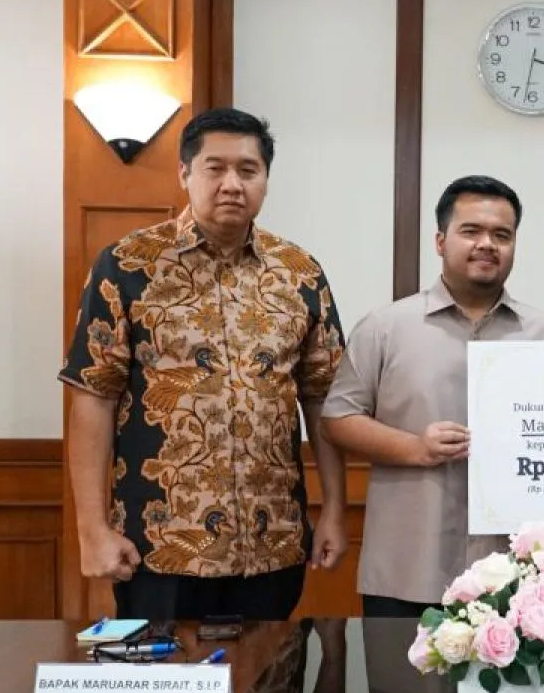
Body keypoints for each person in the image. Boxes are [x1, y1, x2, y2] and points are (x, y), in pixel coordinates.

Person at [59, 107, 349, 621]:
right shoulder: (127, 265)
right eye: (216, 168)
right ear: (185, 173)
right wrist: (91, 530)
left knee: (269, 671)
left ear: (265, 180)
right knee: (163, 674)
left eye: (248, 170)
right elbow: (92, 399)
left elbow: (323, 399)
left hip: (274, 542)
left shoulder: (300, 273)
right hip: (159, 546)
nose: (232, 184)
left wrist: (334, 510)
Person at [321, 175, 544, 618]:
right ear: (440, 241)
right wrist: (415, 447)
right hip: (407, 567)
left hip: (513, 575)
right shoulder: (385, 327)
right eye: (471, 231)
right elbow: (337, 419)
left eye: (502, 235)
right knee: (396, 668)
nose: (487, 244)